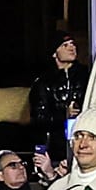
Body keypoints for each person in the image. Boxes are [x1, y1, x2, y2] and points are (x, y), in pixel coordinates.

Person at [29, 33, 86, 161]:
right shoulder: (44, 82)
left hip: (84, 135)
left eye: (73, 44)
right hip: (57, 144)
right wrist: (64, 114)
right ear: (54, 53)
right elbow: (39, 118)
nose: (71, 48)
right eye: (65, 45)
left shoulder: (87, 76)